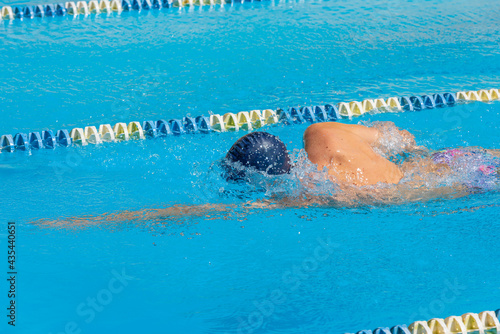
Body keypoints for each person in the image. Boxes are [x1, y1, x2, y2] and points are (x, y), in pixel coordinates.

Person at [35, 121, 500, 227]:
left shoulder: (327, 194)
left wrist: (96, 221)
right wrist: (415, 149)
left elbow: (200, 212)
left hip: (464, 182)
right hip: (452, 158)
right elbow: (394, 131)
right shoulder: (323, 134)